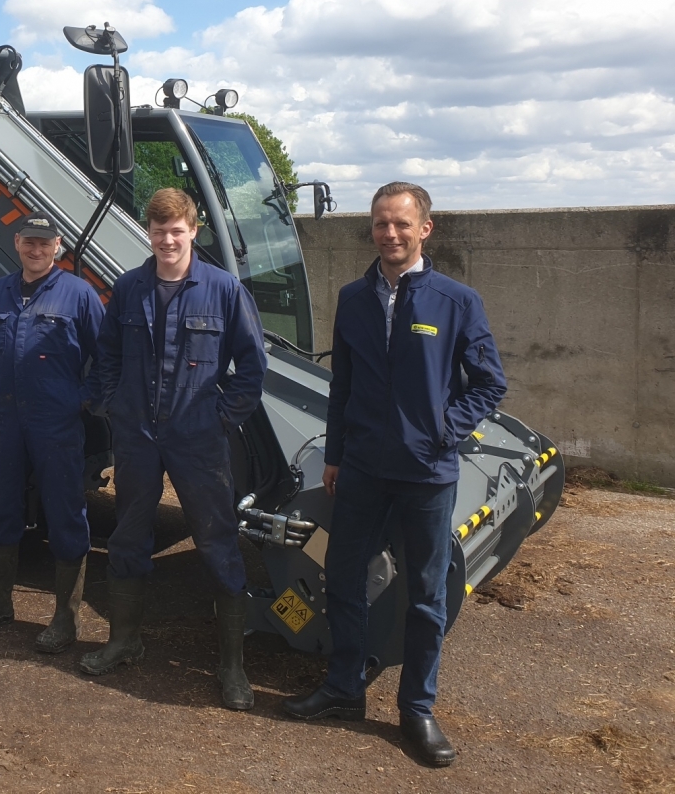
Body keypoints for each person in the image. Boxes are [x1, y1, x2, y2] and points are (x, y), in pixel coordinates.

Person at [282, 182, 507, 768]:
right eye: (382, 223)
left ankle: (416, 709)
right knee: (345, 577)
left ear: (424, 229)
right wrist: (335, 454)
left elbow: (489, 383)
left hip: (427, 474)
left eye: (402, 224)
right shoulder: (354, 299)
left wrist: (442, 430)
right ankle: (344, 687)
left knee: (427, 596)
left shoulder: (456, 302)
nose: (391, 233)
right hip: (360, 469)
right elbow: (344, 387)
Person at [79, 188, 267, 711]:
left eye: (176, 231)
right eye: (158, 231)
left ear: (194, 230)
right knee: (129, 535)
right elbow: (107, 355)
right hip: (138, 436)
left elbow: (253, 368)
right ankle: (123, 640)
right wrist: (114, 404)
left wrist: (220, 418)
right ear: (149, 232)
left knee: (217, 540)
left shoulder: (224, 290)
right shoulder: (130, 288)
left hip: (198, 440)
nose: (167, 240)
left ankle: (231, 667)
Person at [0, 212, 104, 652]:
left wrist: (83, 399)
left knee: (64, 510)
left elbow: (107, 357)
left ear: (58, 246)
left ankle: (66, 618)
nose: (36, 250)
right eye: (28, 242)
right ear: (17, 243)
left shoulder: (79, 295)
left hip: (55, 422)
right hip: (2, 418)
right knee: (0, 506)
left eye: (45, 243)